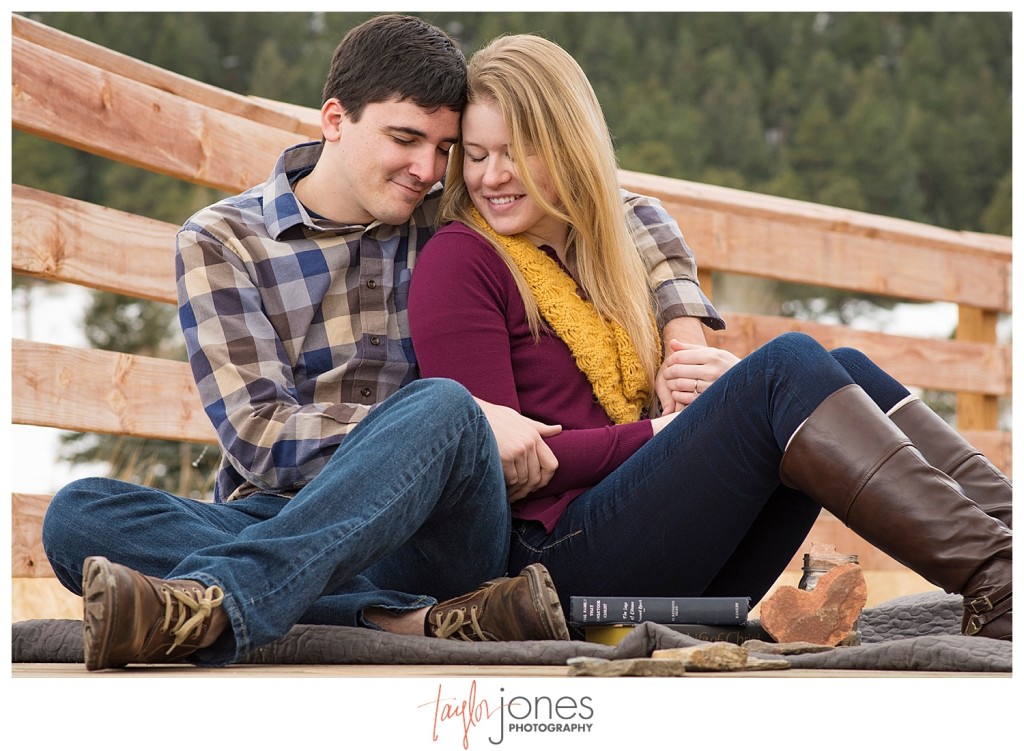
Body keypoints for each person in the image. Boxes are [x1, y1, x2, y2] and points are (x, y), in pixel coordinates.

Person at [40, 15, 719, 670]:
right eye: (405, 139)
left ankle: (226, 602)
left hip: (432, 531)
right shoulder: (224, 241)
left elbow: (625, 207)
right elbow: (259, 434)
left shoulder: (445, 211)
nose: (428, 168)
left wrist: (681, 331)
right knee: (77, 518)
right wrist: (454, 424)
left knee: (445, 406)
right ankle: (409, 621)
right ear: (335, 120)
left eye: (446, 149)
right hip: (281, 512)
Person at [407, 34, 1012, 641]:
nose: (493, 177)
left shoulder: (604, 250)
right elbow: (494, 471)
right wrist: (663, 434)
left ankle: (1009, 541)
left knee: (842, 367)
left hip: (664, 550)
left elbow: (647, 239)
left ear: (569, 145)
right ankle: (998, 579)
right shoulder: (462, 260)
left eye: (516, 152)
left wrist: (708, 401)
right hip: (555, 572)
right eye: (477, 155)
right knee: (786, 367)